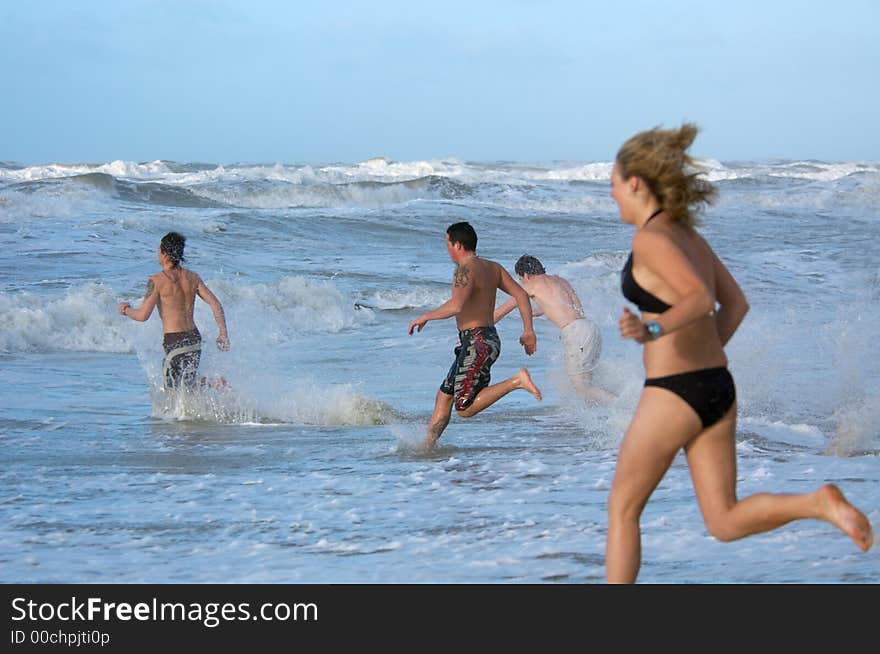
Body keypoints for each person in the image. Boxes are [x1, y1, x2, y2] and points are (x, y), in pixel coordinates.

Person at [606, 123, 872, 583]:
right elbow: (736, 303)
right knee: (724, 521)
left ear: (635, 182)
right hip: (716, 388)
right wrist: (702, 360)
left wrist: (653, 328)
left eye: (612, 185)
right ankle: (817, 503)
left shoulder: (649, 239)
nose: (611, 197)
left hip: (675, 392)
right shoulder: (688, 235)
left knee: (622, 509)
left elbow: (697, 300)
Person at [408, 222, 542, 449]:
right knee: (445, 396)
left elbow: (457, 306)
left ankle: (516, 381)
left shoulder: (464, 270)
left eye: (448, 244)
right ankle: (427, 446)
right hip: (484, 339)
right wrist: (528, 330)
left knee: (465, 408)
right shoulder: (493, 267)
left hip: (476, 342)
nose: (447, 249)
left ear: (458, 245)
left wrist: (426, 316)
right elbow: (521, 294)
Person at [494, 255, 614, 403]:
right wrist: (534, 313)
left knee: (583, 389)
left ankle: (625, 408)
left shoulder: (530, 285)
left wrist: (475, 328)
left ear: (525, 275)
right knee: (587, 385)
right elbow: (569, 306)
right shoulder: (559, 280)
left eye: (520, 279)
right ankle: (605, 420)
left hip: (575, 333)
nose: (521, 283)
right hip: (589, 329)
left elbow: (499, 313)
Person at [118, 231, 230, 390]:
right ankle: (214, 383)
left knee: (172, 389)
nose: (157, 254)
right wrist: (223, 333)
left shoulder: (156, 281)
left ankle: (213, 384)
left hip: (175, 342)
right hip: (194, 340)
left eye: (158, 250)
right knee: (188, 385)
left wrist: (126, 310)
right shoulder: (193, 277)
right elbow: (216, 304)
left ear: (164, 254)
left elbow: (142, 316)